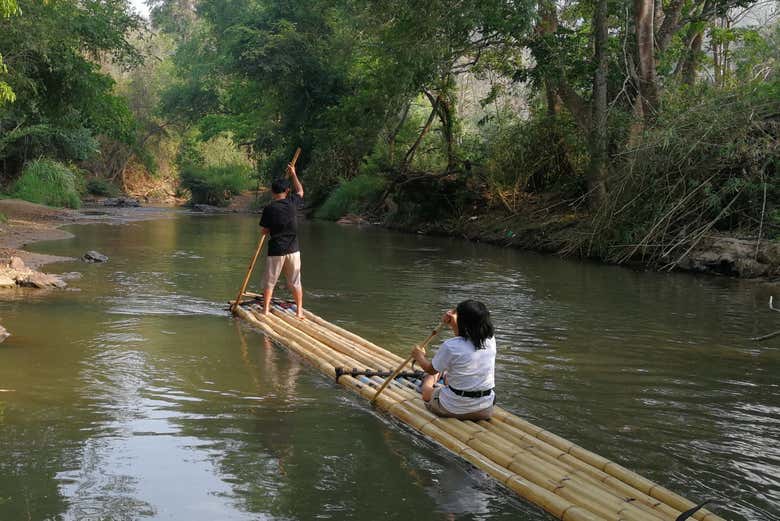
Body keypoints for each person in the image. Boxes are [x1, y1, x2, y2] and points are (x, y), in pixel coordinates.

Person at [411, 300, 496, 421]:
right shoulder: (490, 339)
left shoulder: (450, 346)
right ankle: (444, 376)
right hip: (485, 409)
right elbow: (463, 343)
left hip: (453, 408)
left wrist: (419, 356)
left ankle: (430, 383)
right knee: (451, 370)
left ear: (463, 322)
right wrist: (453, 322)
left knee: (428, 385)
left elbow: (430, 370)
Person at [259, 162, 305, 318]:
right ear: (287, 191)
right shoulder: (293, 203)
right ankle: (299, 312)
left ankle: (265, 310)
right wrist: (293, 174)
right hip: (293, 250)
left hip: (276, 250)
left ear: (273, 192)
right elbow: (300, 190)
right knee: (295, 282)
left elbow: (264, 230)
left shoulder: (269, 208)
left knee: (269, 282)